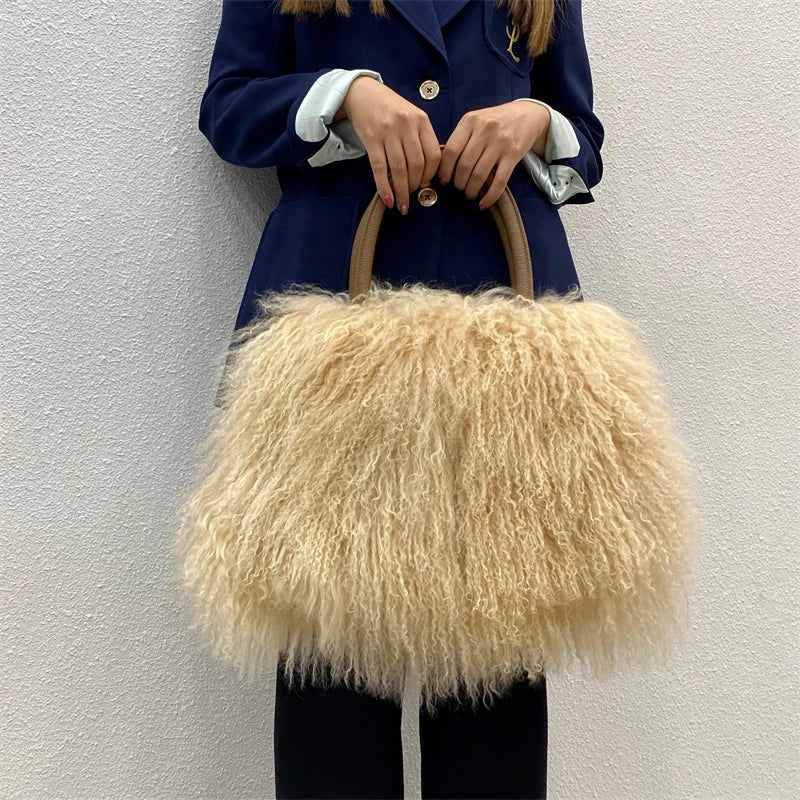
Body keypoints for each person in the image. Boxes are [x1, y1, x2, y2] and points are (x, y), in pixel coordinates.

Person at [197, 0, 604, 796]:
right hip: (333, 354)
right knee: (331, 671)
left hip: (501, 349)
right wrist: (341, 95)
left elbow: (583, 139)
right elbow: (229, 107)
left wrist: (535, 122)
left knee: (495, 671)